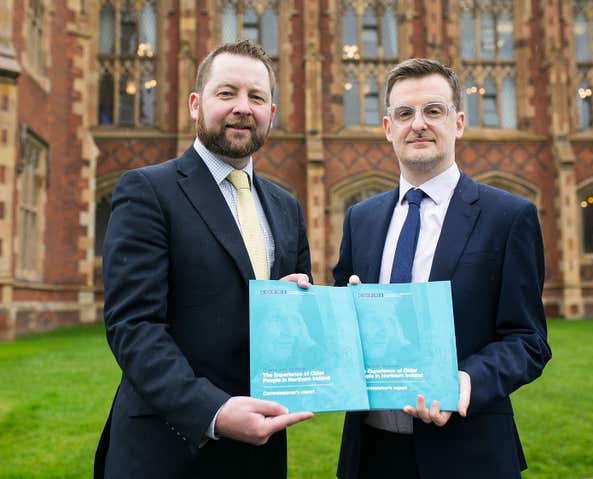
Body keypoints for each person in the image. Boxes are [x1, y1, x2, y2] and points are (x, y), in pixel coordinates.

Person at [94, 40, 314, 479]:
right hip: (167, 446)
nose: (242, 107)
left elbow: (291, 332)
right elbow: (133, 327)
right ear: (196, 103)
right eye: (226, 93)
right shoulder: (148, 191)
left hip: (260, 449)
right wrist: (213, 411)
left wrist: (305, 309)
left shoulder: (286, 207)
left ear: (272, 112)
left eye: (257, 97)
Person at [333, 58, 552, 479]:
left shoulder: (508, 217)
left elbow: (529, 341)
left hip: (467, 452)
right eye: (404, 114)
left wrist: (468, 380)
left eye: (433, 111)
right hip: (371, 452)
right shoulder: (360, 218)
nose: (418, 124)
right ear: (387, 127)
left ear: (459, 122)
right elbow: (344, 324)